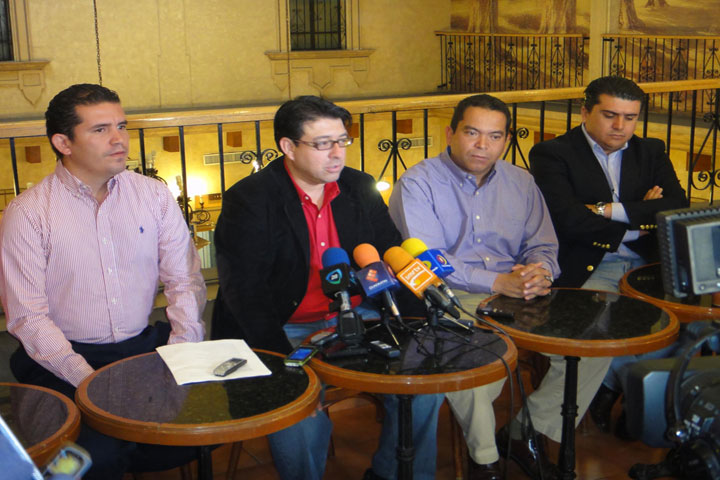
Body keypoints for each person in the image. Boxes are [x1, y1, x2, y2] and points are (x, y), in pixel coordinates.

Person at [210, 95, 443, 480]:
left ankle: (391, 475)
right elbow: (246, 295)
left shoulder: (359, 187)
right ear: (288, 146)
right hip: (283, 328)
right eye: (322, 144)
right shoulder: (250, 199)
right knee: (297, 416)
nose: (337, 154)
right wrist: (287, 371)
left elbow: (392, 254)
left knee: (424, 386)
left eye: (342, 141)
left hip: (361, 316)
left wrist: (418, 325)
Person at [389, 93, 612, 480]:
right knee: (474, 367)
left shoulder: (521, 181)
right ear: (451, 133)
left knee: (593, 346)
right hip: (452, 296)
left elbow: (543, 244)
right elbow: (430, 261)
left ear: (506, 141)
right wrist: (498, 281)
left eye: (494, 136)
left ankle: (525, 432)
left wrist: (540, 271)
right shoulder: (417, 183)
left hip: (521, 292)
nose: (482, 145)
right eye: (472, 133)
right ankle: (486, 462)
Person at [0, 84, 207, 478]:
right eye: (100, 130)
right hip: (63, 361)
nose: (119, 140)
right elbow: (28, 317)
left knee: (201, 427)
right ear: (63, 142)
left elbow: (185, 280)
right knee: (91, 458)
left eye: (121, 126)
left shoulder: (154, 195)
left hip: (141, 349)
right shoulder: (27, 214)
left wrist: (182, 351)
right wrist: (88, 380)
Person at [528, 76, 688, 437]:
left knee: (688, 328)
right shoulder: (552, 153)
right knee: (597, 334)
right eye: (610, 115)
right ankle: (531, 433)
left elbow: (675, 205)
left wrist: (604, 210)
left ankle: (622, 393)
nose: (620, 126)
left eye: (630, 118)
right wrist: (639, 218)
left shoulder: (651, 150)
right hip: (592, 266)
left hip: (650, 264)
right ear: (585, 112)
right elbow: (568, 220)